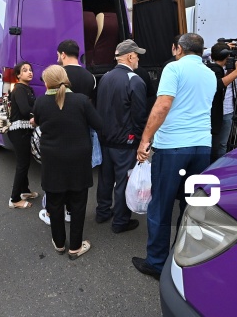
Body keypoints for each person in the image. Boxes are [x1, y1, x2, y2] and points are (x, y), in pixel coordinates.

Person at [133, 33, 216, 279]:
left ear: (177, 48)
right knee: (191, 206)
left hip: (173, 147)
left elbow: (163, 105)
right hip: (202, 146)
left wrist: (145, 140)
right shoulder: (210, 73)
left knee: (161, 205)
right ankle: (182, 258)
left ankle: (157, 263)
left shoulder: (173, 68)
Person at [31, 65, 103, 259]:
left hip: (52, 160)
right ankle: (76, 247)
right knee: (78, 203)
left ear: (47, 83)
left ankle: (60, 243)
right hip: (78, 160)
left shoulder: (40, 103)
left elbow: (36, 122)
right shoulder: (82, 101)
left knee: (54, 203)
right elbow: (99, 124)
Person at [38, 40, 97, 225]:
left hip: (55, 137)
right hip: (80, 137)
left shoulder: (55, 75)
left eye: (58, 55)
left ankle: (51, 213)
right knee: (77, 181)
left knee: (54, 180)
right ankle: (71, 212)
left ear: (62, 54)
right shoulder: (90, 77)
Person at [95, 40, 148, 233]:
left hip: (105, 138)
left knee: (105, 179)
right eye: (137, 55)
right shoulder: (134, 80)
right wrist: (143, 140)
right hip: (125, 140)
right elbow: (140, 115)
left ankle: (102, 212)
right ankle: (120, 222)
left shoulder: (106, 77)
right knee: (124, 181)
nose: (138, 59)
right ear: (130, 56)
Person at [207, 43, 237, 162]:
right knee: (211, 144)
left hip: (228, 110)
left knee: (223, 144)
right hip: (212, 112)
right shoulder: (211, 67)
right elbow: (218, 85)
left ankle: (219, 167)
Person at [8, 61, 39, 209]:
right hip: (18, 131)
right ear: (18, 75)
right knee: (22, 164)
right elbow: (26, 110)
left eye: (30, 69)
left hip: (25, 130)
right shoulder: (19, 89)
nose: (29, 72)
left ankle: (24, 191)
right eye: (25, 70)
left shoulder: (27, 88)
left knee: (25, 162)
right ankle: (14, 199)